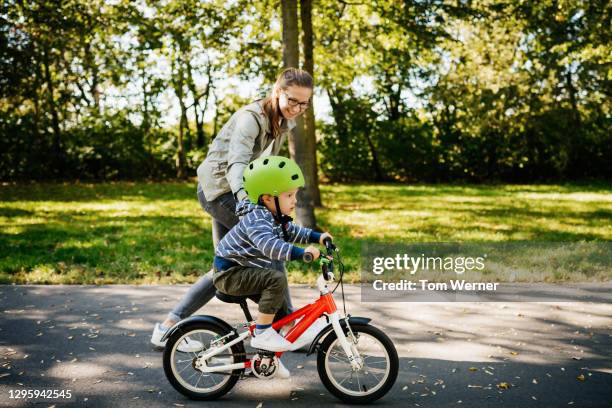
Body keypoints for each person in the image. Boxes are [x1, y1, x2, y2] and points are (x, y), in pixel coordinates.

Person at [151, 68, 314, 351]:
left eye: (304, 103)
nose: (298, 108)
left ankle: (167, 327)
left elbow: (263, 167)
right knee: (270, 245)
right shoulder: (250, 119)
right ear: (277, 92)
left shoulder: (281, 120)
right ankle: (287, 325)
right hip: (220, 192)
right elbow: (237, 164)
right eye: (293, 101)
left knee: (225, 267)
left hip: (236, 192)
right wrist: (246, 201)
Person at [213, 156, 331, 377]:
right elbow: (270, 247)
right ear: (267, 198)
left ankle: (268, 362)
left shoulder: (274, 215)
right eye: (289, 195)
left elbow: (293, 232)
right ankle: (263, 333)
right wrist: (300, 253)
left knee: (282, 309)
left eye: (295, 194)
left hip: (243, 271)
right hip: (229, 274)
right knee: (275, 279)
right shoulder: (257, 218)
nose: (294, 200)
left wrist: (318, 236)